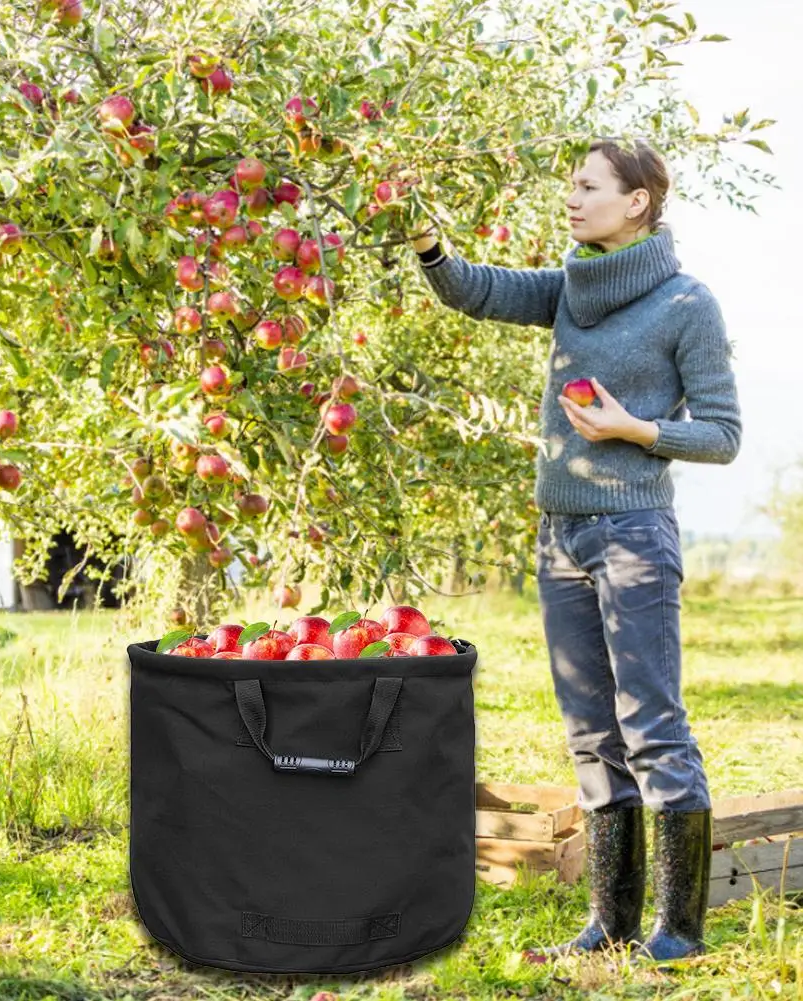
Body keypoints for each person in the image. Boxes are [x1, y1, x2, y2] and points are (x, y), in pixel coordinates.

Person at [410, 138, 742, 962]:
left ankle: (678, 930)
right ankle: (609, 924)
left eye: (587, 185)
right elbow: (476, 289)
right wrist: (424, 240)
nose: (570, 197)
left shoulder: (685, 303)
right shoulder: (569, 288)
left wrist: (635, 428)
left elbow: (722, 433)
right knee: (591, 733)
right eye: (570, 185)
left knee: (651, 725)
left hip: (633, 536)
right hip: (559, 536)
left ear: (636, 201)